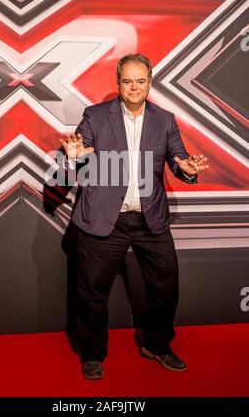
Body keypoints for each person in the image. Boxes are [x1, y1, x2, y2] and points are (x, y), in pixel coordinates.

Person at [59, 54, 209, 380]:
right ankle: (93, 353)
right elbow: (81, 147)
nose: (134, 87)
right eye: (127, 81)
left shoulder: (165, 120)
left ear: (149, 83)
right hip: (103, 219)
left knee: (165, 287)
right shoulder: (96, 115)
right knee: (92, 292)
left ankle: (156, 344)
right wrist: (76, 153)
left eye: (140, 81)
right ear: (118, 84)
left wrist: (185, 168)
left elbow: (179, 158)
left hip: (148, 219)